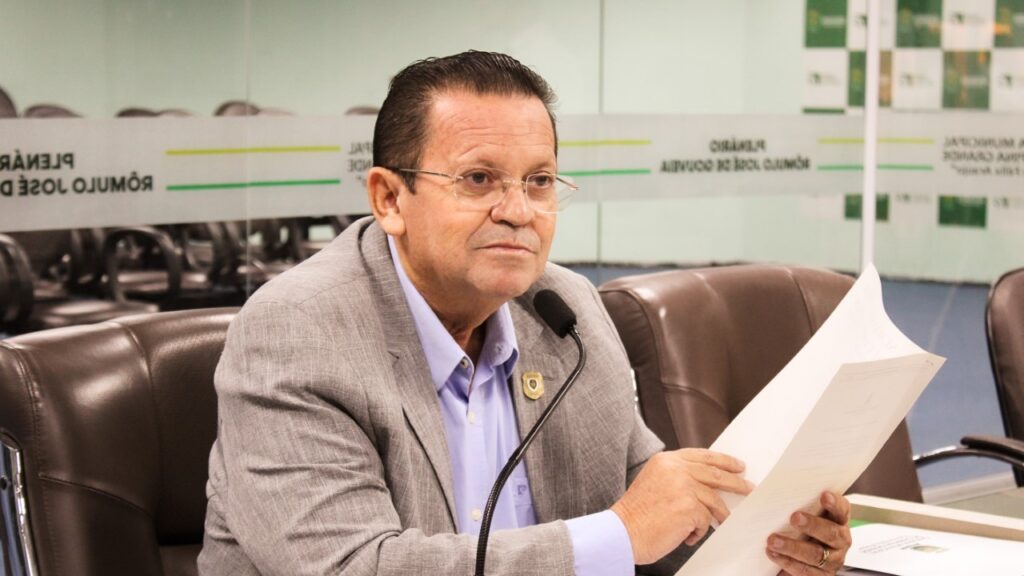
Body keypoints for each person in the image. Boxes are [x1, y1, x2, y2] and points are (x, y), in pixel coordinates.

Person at [198, 51, 852, 575]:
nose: (518, 211)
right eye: (478, 179)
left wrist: (766, 542)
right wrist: (620, 533)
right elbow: (353, 565)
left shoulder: (565, 310)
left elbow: (648, 508)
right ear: (390, 199)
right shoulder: (299, 331)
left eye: (539, 181)